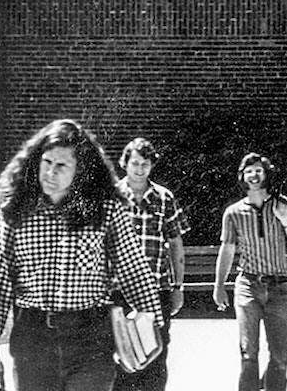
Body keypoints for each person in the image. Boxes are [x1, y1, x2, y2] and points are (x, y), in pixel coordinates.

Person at [0, 119, 163, 391]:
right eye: (47, 162)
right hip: (33, 341)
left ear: (80, 171)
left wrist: (153, 330)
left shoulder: (106, 211)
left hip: (90, 339)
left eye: (62, 166)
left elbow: (133, 270)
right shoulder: (14, 212)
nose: (50, 173)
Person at [213, 153, 287, 391]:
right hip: (248, 285)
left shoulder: (282, 205)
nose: (254, 175)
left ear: (266, 174)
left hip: (279, 287)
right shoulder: (233, 213)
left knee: (279, 354)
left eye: (258, 170)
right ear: (242, 177)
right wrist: (219, 286)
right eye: (249, 171)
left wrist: (286, 221)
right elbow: (227, 249)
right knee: (248, 352)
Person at [114, 137, 190, 391]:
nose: (139, 169)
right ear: (125, 164)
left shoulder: (163, 198)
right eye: (135, 163)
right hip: (118, 292)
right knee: (121, 356)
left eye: (145, 163)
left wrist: (178, 286)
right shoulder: (112, 198)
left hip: (155, 291)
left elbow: (176, 245)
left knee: (156, 355)